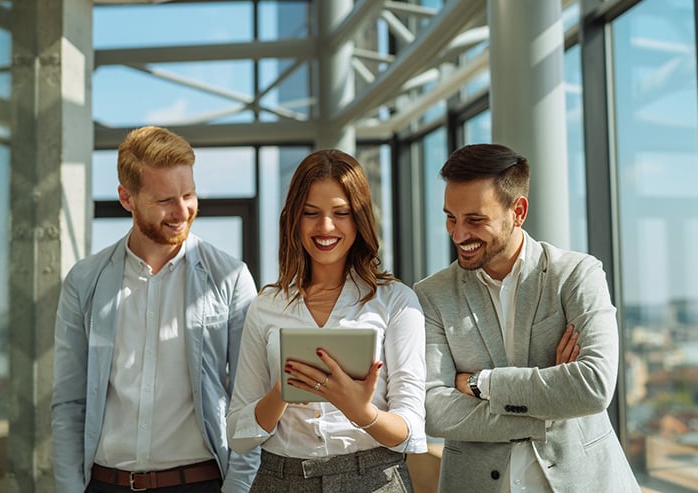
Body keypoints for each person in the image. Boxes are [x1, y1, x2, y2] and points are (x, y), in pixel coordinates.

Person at [414, 143, 639, 493]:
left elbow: (593, 386)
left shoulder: (576, 274)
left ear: (518, 211)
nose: (458, 235)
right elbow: (434, 409)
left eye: (475, 220)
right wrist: (550, 404)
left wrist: (480, 384)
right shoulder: (432, 294)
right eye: (450, 217)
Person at [51, 126, 260, 493]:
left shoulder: (230, 277)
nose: (182, 211)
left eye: (189, 194)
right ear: (126, 197)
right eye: (165, 200)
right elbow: (70, 402)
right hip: (105, 484)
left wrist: (239, 488)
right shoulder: (84, 281)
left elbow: (250, 400)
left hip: (200, 483)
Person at [226, 149, 426, 492]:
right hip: (281, 480)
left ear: (360, 219)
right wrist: (284, 390)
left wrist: (362, 412)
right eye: (311, 213)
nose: (325, 227)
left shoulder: (396, 302)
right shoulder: (266, 306)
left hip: (375, 479)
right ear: (294, 219)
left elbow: (410, 430)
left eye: (341, 213)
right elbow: (238, 435)